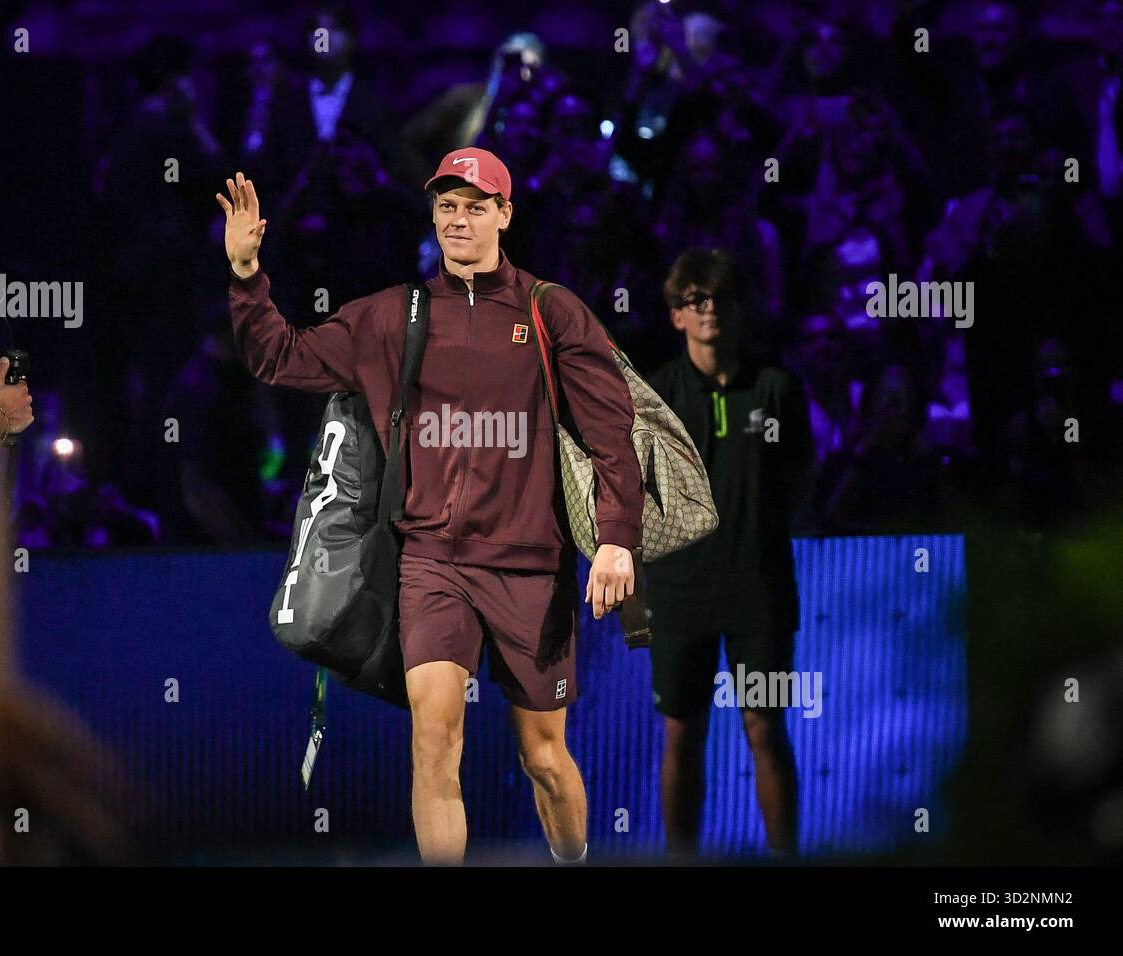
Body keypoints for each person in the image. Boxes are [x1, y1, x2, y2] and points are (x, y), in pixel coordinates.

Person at [216, 147, 643, 865]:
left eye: (476, 206)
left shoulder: (550, 311)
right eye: (447, 206)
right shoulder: (393, 317)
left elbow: (610, 431)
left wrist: (617, 537)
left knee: (544, 757)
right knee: (434, 740)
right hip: (431, 563)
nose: (459, 219)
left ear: (506, 214)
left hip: (530, 570)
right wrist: (246, 275)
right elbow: (278, 357)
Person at [643, 248, 813, 859]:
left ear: (740, 310)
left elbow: (799, 480)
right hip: (678, 592)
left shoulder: (777, 389)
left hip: (759, 592)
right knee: (681, 732)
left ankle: (785, 861)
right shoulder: (654, 397)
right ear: (676, 316)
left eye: (718, 298)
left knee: (765, 729)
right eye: (695, 300)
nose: (708, 309)